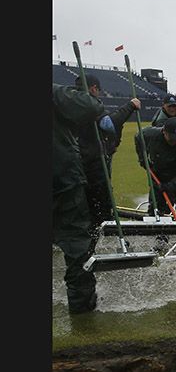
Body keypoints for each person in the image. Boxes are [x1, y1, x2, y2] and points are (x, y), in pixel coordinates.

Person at [53, 81, 105, 313]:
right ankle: (82, 305)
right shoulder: (55, 92)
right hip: (61, 178)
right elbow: (91, 107)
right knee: (75, 242)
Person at [74, 74, 142, 234]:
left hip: (71, 163)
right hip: (93, 164)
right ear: (93, 88)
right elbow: (108, 124)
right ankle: (99, 241)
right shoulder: (89, 103)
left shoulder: (68, 102)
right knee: (100, 206)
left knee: (78, 205)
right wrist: (130, 106)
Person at [134, 117, 176, 223]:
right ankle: (161, 236)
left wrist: (169, 186)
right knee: (156, 209)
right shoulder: (150, 134)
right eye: (171, 138)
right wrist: (142, 159)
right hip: (158, 174)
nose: (174, 142)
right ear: (164, 132)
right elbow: (138, 137)